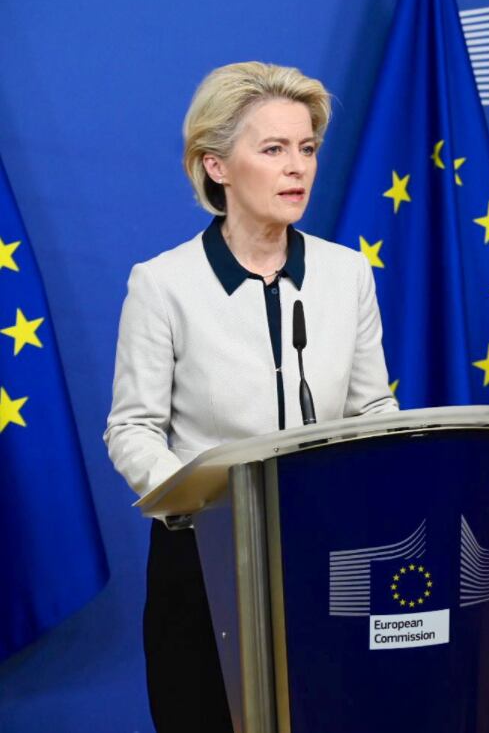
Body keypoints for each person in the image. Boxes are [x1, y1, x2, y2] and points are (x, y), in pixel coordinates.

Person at [104, 62, 398, 733]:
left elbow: (373, 411)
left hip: (326, 548)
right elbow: (133, 429)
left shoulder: (346, 274)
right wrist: (199, 503)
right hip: (202, 559)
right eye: (273, 149)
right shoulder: (162, 285)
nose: (297, 168)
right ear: (217, 166)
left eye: (307, 149)